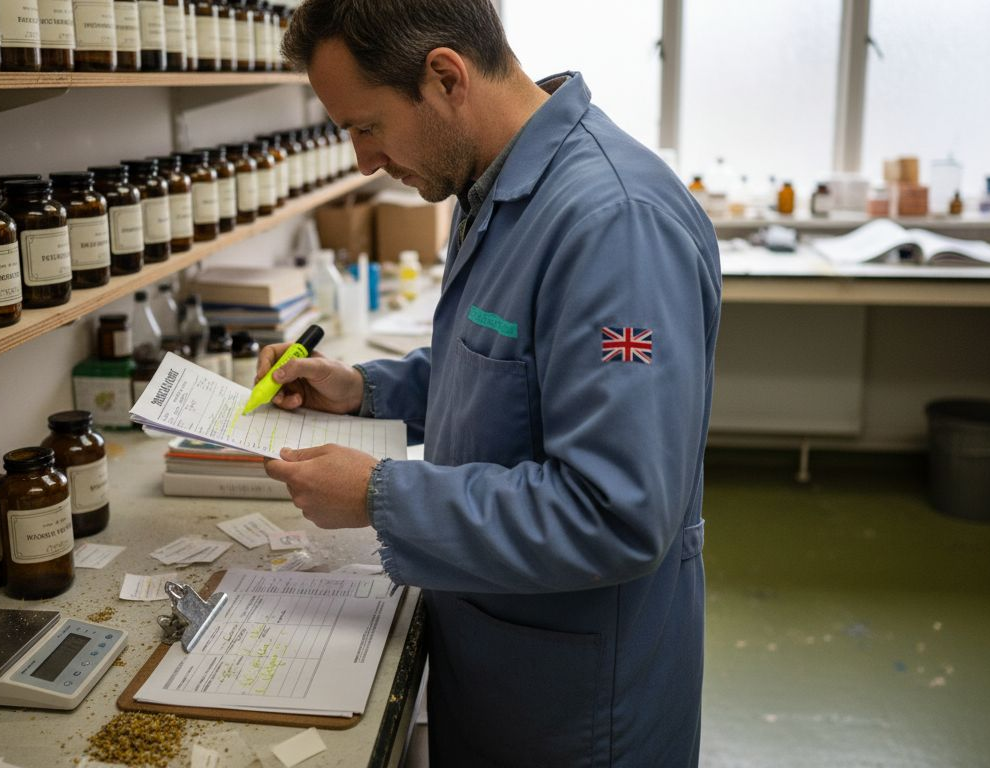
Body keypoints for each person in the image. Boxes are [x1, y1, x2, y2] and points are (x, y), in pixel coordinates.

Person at [261, 1, 721, 765]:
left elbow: (618, 512)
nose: (363, 161)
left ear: (445, 77)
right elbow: (506, 368)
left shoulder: (614, 222)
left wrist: (381, 495)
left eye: (366, 126)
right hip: (501, 662)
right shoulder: (499, 186)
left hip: (579, 708)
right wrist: (364, 389)